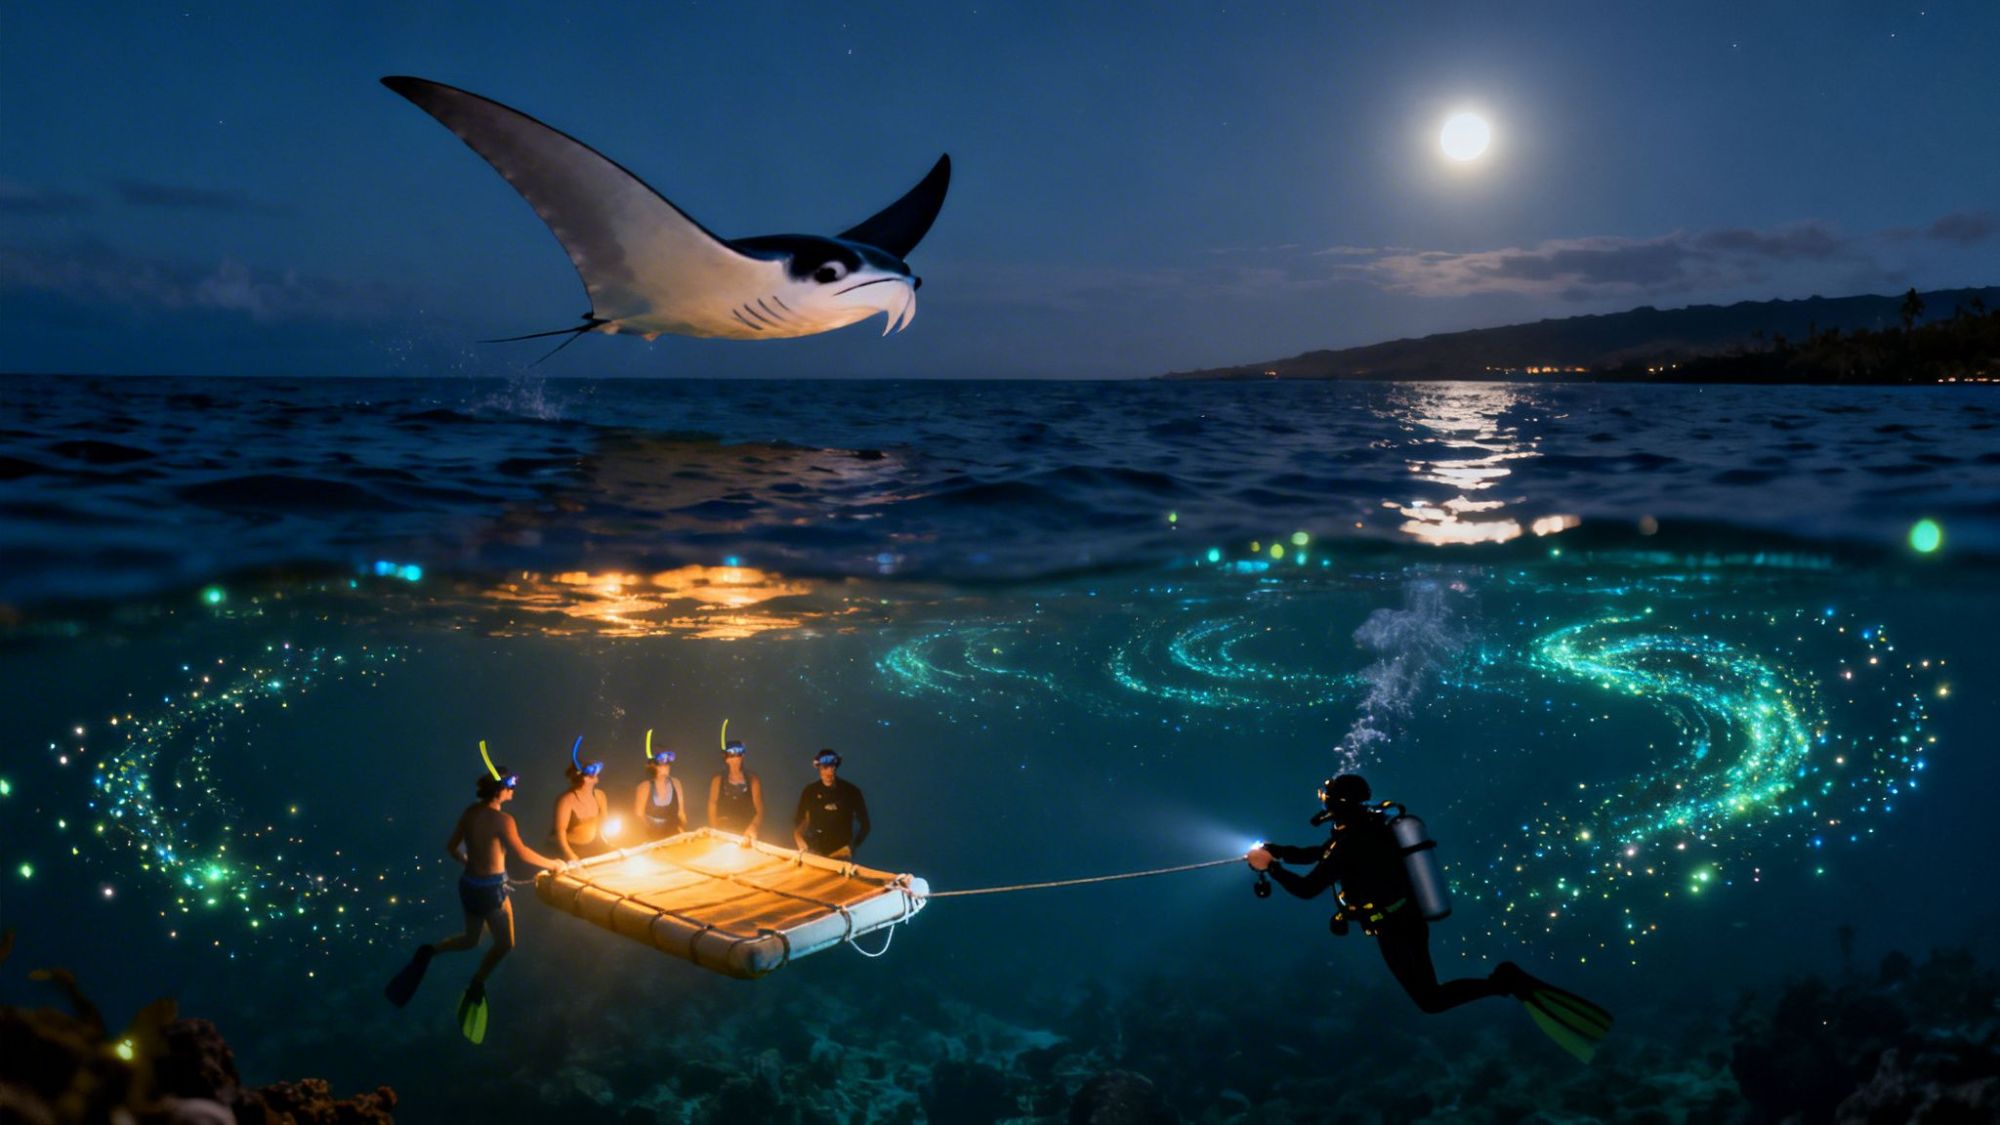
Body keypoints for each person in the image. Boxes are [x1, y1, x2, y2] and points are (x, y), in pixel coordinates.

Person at [1248, 773, 1613, 1061]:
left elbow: (1309, 888)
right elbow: (1318, 853)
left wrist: (1273, 868)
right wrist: (1275, 851)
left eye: (1325, 797)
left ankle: (1506, 981)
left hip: (1395, 927)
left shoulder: (1351, 839)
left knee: (1430, 1000)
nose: (1323, 802)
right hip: (1404, 919)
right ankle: (1505, 982)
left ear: (1338, 804)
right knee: (1430, 996)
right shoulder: (1365, 826)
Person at [383, 757, 568, 1044]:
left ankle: (430, 951)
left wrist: (469, 861)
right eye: (511, 784)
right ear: (500, 789)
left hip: (468, 885)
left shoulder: (470, 812)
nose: (514, 789)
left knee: (471, 940)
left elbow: (451, 847)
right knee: (506, 944)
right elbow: (522, 853)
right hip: (490, 889)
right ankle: (477, 983)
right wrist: (554, 863)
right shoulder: (504, 820)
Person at [793, 749, 870, 859]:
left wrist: (852, 846)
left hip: (840, 852)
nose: (829, 772)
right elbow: (800, 819)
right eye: (825, 768)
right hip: (814, 851)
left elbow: (865, 824)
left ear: (836, 767)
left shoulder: (851, 791)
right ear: (818, 767)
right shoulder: (810, 791)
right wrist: (798, 837)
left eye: (832, 767)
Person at [551, 746, 611, 862]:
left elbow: (605, 822)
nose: (595, 775)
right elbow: (560, 831)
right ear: (581, 778)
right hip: (574, 849)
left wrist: (609, 843)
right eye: (591, 773)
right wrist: (570, 854)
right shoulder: (566, 800)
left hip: (596, 846)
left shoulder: (600, 796)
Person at [707, 739, 764, 841]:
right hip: (723, 833)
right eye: (731, 755)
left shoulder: (752, 780)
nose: (735, 758)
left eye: (739, 754)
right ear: (726, 758)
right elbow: (712, 805)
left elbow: (759, 810)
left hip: (746, 833)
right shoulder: (717, 780)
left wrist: (753, 826)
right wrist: (715, 832)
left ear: (742, 756)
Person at [633, 741, 687, 840]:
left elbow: (681, 813)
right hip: (652, 838)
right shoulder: (644, 787)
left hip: (674, 835)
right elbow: (639, 816)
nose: (665, 767)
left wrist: (683, 830)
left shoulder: (676, 783)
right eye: (661, 764)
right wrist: (652, 833)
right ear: (653, 765)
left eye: (667, 763)